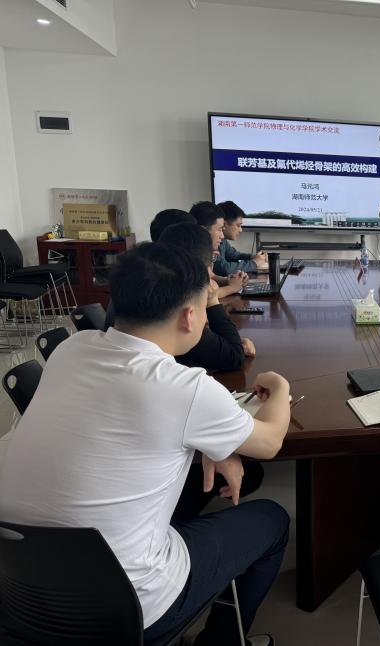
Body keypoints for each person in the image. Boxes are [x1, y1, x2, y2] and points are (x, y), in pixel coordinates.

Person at [0, 242, 293, 646]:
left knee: (220, 480)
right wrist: (280, 386)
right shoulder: (185, 387)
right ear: (190, 316)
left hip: (20, 591)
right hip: (131, 606)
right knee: (273, 520)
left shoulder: (73, 348)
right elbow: (271, 441)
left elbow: (118, 423)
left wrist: (216, 443)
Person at [159, 222, 256, 371]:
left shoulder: (160, 286)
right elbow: (233, 357)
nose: (221, 236)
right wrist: (212, 301)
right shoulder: (181, 305)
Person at [190, 201, 246, 298]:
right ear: (202, 231)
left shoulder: (204, 250)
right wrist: (232, 288)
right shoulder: (189, 254)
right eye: (220, 230)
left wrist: (230, 280)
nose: (222, 236)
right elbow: (200, 296)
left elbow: (210, 276)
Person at [214, 201, 267, 276]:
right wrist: (254, 263)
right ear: (224, 224)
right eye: (238, 225)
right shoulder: (212, 241)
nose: (241, 230)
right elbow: (225, 269)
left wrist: (254, 257)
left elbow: (234, 255)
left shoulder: (223, 240)